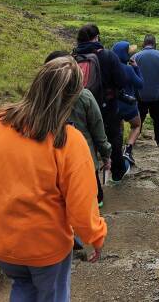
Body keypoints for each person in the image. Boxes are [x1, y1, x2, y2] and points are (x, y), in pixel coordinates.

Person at [0, 57, 107, 301]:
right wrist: (95, 237)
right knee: (52, 295)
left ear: (36, 83)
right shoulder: (69, 141)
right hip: (45, 246)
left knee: (22, 286)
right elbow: (81, 205)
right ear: (72, 97)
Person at [45, 51, 111, 207]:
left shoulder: (42, 97)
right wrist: (106, 154)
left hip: (51, 161)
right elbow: (97, 128)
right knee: (93, 200)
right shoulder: (84, 96)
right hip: (85, 160)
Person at [73, 24, 128, 182]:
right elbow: (121, 80)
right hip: (107, 105)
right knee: (113, 138)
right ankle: (117, 174)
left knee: (87, 142)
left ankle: (92, 181)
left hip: (80, 105)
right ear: (96, 37)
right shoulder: (108, 56)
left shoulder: (73, 56)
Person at [134, 35, 159, 146]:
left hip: (140, 94)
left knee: (140, 117)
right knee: (158, 117)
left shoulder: (135, 56)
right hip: (157, 95)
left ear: (144, 43)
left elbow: (131, 76)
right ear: (154, 43)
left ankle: (134, 139)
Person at [112, 41, 143, 166]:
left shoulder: (109, 69)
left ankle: (117, 153)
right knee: (136, 125)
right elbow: (140, 84)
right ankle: (128, 150)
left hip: (114, 105)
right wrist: (136, 67)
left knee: (119, 130)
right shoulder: (129, 69)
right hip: (128, 105)